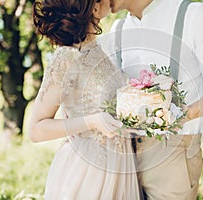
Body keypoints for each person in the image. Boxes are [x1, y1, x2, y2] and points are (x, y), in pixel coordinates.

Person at [109, 0, 203, 199]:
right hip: (123, 155)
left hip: (173, 154)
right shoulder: (118, 29)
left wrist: (183, 115)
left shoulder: (192, 15)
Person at [30, 0, 141, 199]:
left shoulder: (98, 49)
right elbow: (36, 130)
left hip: (119, 166)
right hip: (88, 171)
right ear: (95, 8)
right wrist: (91, 121)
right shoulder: (67, 57)